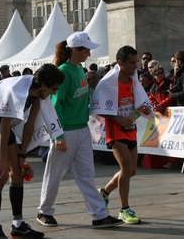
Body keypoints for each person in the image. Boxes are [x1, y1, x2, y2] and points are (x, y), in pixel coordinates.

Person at [37, 32, 123, 228]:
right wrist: (58, 135)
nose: (88, 53)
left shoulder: (78, 70)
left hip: (82, 130)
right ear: (74, 50)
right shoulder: (64, 71)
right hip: (65, 132)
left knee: (86, 174)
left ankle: (99, 214)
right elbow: (55, 104)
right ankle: (44, 211)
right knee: (55, 173)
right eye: (85, 49)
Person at [0, 64, 64, 238]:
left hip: (2, 127)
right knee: (1, 175)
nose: (54, 92)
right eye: (54, 88)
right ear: (44, 85)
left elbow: (29, 127)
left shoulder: (38, 95)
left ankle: (18, 224)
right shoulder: (16, 91)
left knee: (18, 174)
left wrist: (22, 156)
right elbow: (4, 126)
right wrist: (3, 159)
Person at [90, 45, 152, 224]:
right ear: (120, 63)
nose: (136, 66)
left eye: (136, 62)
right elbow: (97, 107)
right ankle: (124, 210)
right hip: (115, 130)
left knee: (132, 170)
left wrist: (144, 108)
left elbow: (140, 101)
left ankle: (104, 192)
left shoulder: (134, 80)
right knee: (126, 167)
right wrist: (117, 118)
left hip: (131, 129)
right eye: (132, 63)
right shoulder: (108, 82)